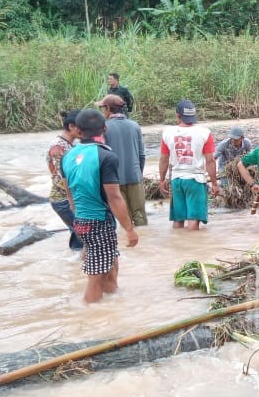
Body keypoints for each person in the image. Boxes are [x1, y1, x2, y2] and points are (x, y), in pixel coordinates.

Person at [62, 109, 139, 302]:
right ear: (105, 128)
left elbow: (68, 192)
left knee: (111, 266)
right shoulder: (106, 156)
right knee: (96, 278)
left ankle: (111, 306)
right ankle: (90, 320)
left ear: (78, 131)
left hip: (80, 220)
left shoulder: (68, 156)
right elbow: (114, 197)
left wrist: (77, 215)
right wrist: (129, 229)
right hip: (99, 222)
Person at [159, 100, 218, 230]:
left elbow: (163, 159)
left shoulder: (167, 133)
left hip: (176, 180)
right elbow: (210, 161)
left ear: (177, 115)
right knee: (193, 220)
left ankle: (178, 246)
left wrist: (162, 180)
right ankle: (193, 248)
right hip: (195, 180)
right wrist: (214, 183)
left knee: (178, 219)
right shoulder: (204, 133)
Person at [97, 94, 147, 226]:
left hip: (113, 179)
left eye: (103, 108)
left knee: (123, 217)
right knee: (140, 214)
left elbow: (101, 156)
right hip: (135, 176)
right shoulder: (134, 126)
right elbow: (142, 155)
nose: (103, 111)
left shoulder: (104, 128)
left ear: (108, 108)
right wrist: (139, 173)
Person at [48, 110, 84, 251]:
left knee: (78, 233)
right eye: (81, 127)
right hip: (63, 200)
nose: (84, 130)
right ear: (71, 127)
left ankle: (75, 265)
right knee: (82, 233)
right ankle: (79, 262)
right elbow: (61, 179)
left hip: (68, 199)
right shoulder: (58, 147)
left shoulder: (69, 145)